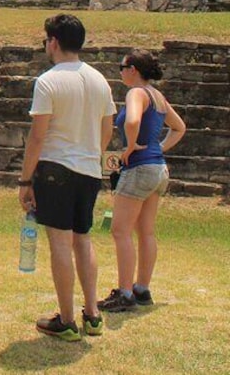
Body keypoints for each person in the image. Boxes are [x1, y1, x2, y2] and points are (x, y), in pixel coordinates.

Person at [18, 14, 115, 342]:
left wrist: (24, 179)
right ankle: (92, 313)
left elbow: (37, 137)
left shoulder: (48, 81)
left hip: (57, 168)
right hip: (88, 169)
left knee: (60, 242)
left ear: (54, 42)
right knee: (82, 238)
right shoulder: (100, 79)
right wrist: (91, 154)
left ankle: (68, 319)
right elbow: (107, 127)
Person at [98, 49, 186, 312]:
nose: (120, 72)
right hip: (158, 168)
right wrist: (157, 148)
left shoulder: (136, 93)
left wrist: (131, 147)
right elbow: (179, 127)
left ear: (133, 69)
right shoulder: (158, 96)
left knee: (120, 230)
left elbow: (133, 119)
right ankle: (142, 288)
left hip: (138, 168)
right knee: (145, 231)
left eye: (122, 67)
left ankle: (125, 293)